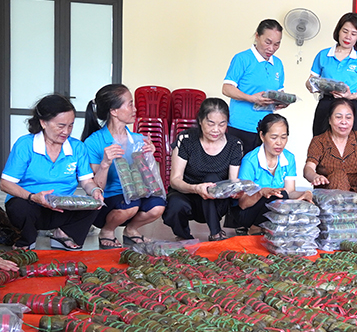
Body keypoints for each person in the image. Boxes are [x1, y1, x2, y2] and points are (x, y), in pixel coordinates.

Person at [0, 95, 104, 250]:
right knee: (19, 207)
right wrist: (33, 197)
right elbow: (5, 183)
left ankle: (63, 234)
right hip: (32, 206)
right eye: (61, 126)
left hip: (61, 207)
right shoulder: (25, 145)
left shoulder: (77, 147)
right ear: (43, 123)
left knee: (96, 204)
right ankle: (27, 239)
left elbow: (87, 181)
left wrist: (95, 190)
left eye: (70, 126)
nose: (66, 131)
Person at [82, 84, 166, 249]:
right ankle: (107, 231)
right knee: (131, 205)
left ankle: (131, 230)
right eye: (130, 104)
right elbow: (95, 187)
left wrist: (149, 156)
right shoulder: (94, 142)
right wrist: (105, 163)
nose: (135, 109)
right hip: (108, 201)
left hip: (136, 195)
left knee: (158, 206)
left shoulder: (138, 140)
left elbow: (147, 179)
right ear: (114, 111)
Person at [303, 98, 357, 243]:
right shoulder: (319, 141)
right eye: (338, 117)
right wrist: (315, 176)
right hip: (331, 200)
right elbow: (308, 168)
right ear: (330, 120)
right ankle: (340, 231)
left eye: (348, 117)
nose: (344, 121)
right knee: (338, 175)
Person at [163, 98, 243, 241]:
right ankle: (184, 236)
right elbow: (175, 180)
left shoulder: (234, 145)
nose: (216, 130)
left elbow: (232, 181)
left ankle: (216, 232)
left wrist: (237, 190)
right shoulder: (186, 139)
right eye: (210, 123)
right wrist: (196, 188)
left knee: (211, 180)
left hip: (217, 201)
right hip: (188, 194)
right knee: (175, 206)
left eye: (222, 124)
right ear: (200, 120)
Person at [229, 113, 312, 233]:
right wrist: (261, 193)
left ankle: (265, 228)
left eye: (283, 137)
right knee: (275, 195)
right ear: (262, 136)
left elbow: (289, 192)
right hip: (246, 213)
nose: (279, 143)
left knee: (283, 196)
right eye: (274, 137)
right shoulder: (250, 160)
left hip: (272, 208)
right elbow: (243, 203)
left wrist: (305, 194)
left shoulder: (288, 158)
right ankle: (255, 227)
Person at [222, 19, 287, 154]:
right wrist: (251, 98)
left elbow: (279, 91)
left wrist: (282, 102)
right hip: (240, 127)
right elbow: (227, 88)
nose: (271, 48)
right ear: (257, 36)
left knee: (259, 171)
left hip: (265, 130)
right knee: (237, 171)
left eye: (277, 44)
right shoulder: (242, 59)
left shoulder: (278, 64)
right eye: (267, 42)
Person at [306, 13, 357, 137]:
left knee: (352, 147)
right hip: (326, 104)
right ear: (338, 31)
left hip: (350, 106)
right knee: (320, 145)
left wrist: (351, 96)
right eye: (345, 31)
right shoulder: (323, 55)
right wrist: (314, 86)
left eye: (353, 34)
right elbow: (310, 82)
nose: (348, 37)